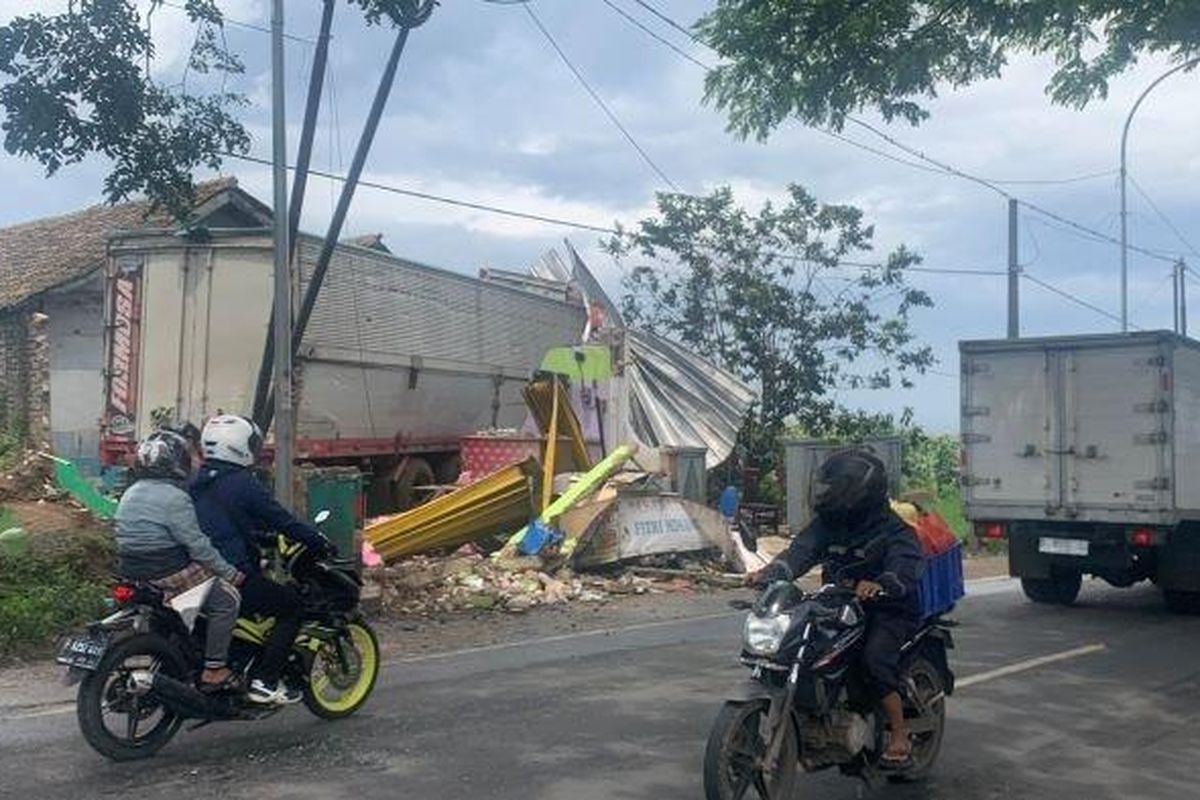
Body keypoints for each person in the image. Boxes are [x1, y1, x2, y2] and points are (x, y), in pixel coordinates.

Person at [748, 449, 924, 768]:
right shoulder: (830, 522)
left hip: (889, 609)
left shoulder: (894, 530)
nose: (826, 494)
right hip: (840, 600)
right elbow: (801, 551)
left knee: (874, 662)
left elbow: (906, 564)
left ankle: (900, 736)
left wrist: (883, 583)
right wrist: (772, 572)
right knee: (802, 644)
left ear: (858, 492)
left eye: (834, 488)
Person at [190, 414, 333, 705]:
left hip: (191, 572)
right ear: (240, 446)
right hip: (229, 573)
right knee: (291, 606)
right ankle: (265, 681)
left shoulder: (195, 481)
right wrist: (318, 541)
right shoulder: (244, 483)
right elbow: (283, 521)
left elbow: (223, 523)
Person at [114, 430, 244, 691]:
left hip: (130, 568)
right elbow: (198, 546)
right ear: (177, 463)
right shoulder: (175, 497)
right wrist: (229, 572)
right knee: (226, 600)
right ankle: (214, 669)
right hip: (166, 570)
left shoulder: (131, 492)